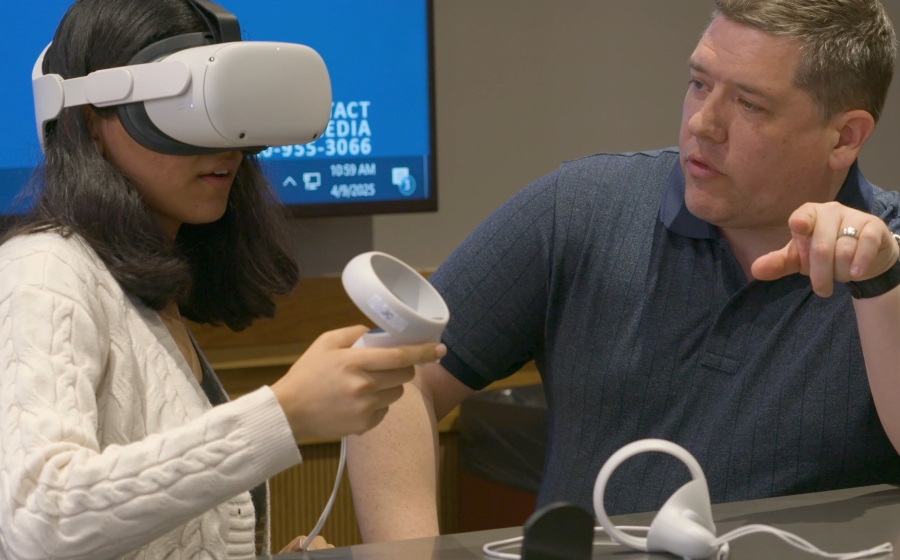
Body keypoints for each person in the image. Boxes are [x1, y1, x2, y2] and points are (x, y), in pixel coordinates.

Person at [347, 0, 900, 543]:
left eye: (750, 105)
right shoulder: (584, 209)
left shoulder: (888, 259)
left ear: (845, 136)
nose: (703, 124)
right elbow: (394, 375)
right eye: (700, 83)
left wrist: (879, 286)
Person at [0, 0, 445, 558]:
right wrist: (285, 412)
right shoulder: (43, 271)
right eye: (181, 110)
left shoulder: (147, 297)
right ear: (91, 122)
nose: (222, 144)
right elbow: (41, 520)